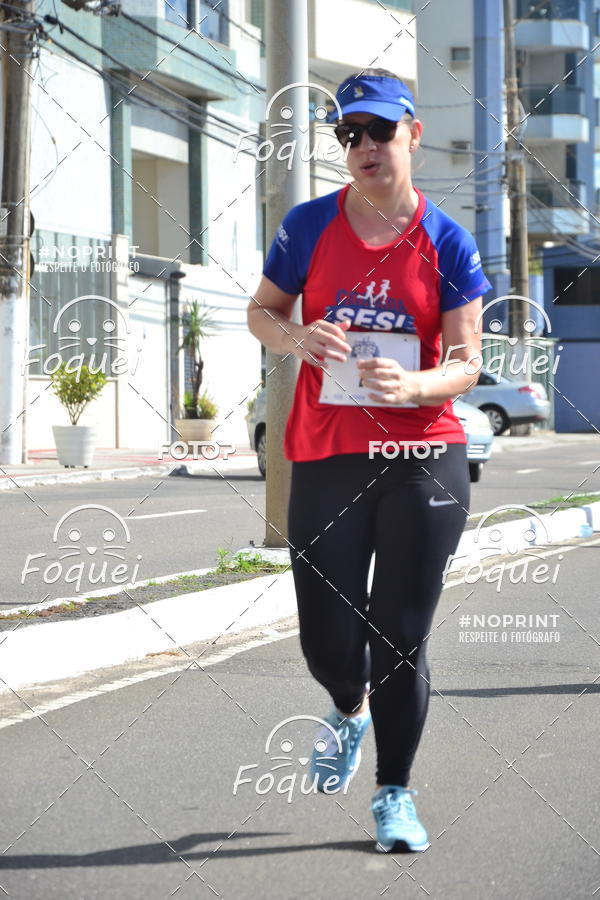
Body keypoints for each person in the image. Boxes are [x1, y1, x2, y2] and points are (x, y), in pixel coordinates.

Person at [247, 68, 492, 853]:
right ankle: (346, 711)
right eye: (349, 134)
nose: (363, 147)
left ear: (413, 134)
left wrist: (414, 381)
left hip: (423, 452)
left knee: (400, 636)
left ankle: (394, 793)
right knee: (327, 643)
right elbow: (261, 312)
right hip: (325, 453)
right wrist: (297, 338)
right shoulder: (309, 226)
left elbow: (467, 362)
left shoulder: (448, 240)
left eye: (378, 131)